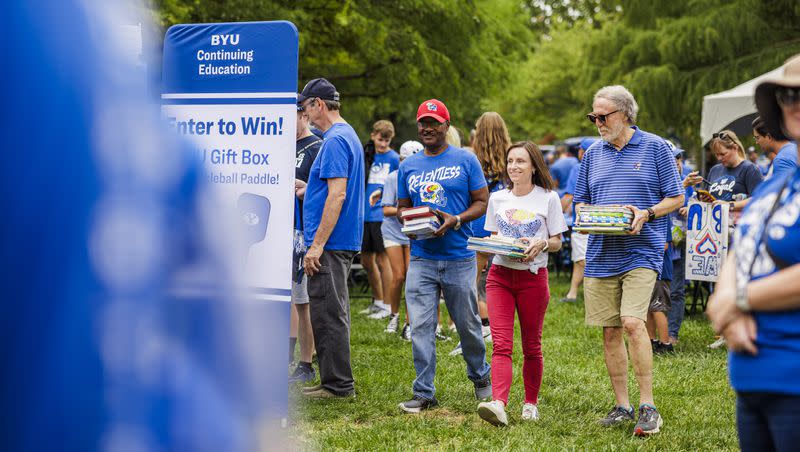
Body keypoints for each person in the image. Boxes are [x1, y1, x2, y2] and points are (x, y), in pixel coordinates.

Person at [574, 85, 683, 436]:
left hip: (643, 250)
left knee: (633, 322)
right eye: (593, 117)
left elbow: (676, 197)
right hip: (602, 254)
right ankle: (622, 405)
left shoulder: (655, 148)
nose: (597, 122)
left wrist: (648, 213)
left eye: (602, 116)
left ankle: (648, 405)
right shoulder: (592, 153)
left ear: (625, 114)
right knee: (610, 331)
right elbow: (580, 202)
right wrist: (589, 217)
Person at [707, 53, 800, 452]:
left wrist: (740, 299)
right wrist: (724, 306)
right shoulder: (778, 184)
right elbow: (741, 247)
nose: (795, 106)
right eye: (788, 97)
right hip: (751, 380)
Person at [396, 99, 492, 413]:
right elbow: (402, 207)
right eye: (423, 123)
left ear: (446, 126)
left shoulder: (466, 159)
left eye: (434, 123)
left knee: (467, 326)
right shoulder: (408, 165)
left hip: (458, 257)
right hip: (421, 257)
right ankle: (424, 392)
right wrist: (410, 221)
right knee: (421, 326)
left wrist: (457, 219)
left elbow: (482, 201)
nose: (427, 128)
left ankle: (480, 375)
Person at [476, 141, 567, 426]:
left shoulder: (548, 198)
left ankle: (530, 403)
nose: (514, 166)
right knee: (501, 344)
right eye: (511, 161)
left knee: (531, 346)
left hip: (532, 280)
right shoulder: (497, 199)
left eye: (521, 161)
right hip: (500, 277)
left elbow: (557, 242)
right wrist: (488, 248)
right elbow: (490, 238)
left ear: (533, 165)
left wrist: (541, 243)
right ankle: (499, 403)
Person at [298, 78, 365, 399]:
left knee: (327, 313)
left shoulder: (336, 140)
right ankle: (333, 380)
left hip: (331, 243)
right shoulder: (345, 135)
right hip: (340, 240)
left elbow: (337, 196)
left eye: (306, 106)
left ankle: (337, 386)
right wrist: (306, 190)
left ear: (319, 105)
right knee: (332, 310)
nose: (305, 114)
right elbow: (332, 188)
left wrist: (317, 245)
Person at [456, 111, 512, 354]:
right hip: (504, 224)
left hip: (477, 224)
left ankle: (476, 330)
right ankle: (495, 327)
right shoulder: (512, 160)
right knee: (499, 279)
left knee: (471, 281)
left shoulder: (471, 159)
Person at [289, 101, 322, 384]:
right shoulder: (278, 143)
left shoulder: (317, 146)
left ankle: (306, 362)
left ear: (304, 114)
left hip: (302, 233)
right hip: (275, 228)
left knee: (303, 300)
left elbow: (327, 190)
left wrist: (305, 190)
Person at [378, 140, 424, 337]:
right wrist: (410, 211)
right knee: (399, 276)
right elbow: (386, 209)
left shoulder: (422, 178)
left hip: (414, 232)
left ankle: (409, 323)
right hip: (393, 232)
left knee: (412, 278)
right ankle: (393, 315)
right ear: (401, 160)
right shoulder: (392, 178)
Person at [361, 120, 400, 320]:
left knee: (383, 260)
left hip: (381, 214)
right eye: (379, 139)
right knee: (367, 260)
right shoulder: (367, 155)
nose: (383, 144)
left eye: (387, 140)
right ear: (373, 135)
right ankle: (377, 302)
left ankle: (387, 305)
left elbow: (396, 185)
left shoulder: (394, 158)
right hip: (364, 214)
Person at [685, 130, 763, 216]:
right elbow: (710, 200)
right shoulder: (715, 170)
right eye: (716, 154)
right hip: (715, 225)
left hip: (738, 225)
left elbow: (759, 198)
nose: (719, 158)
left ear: (735, 148)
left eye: (723, 154)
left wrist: (729, 205)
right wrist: (699, 202)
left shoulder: (750, 169)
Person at [560, 137, 598, 302]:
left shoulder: (579, 167)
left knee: (583, 260)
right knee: (578, 260)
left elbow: (570, 194)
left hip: (583, 223)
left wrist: (555, 213)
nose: (579, 152)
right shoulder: (602, 166)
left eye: (581, 149)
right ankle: (573, 293)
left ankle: (595, 295)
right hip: (600, 222)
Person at [667, 147, 693, 344]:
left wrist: (690, 208)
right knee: (657, 290)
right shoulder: (661, 178)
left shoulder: (688, 180)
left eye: (679, 158)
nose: (677, 162)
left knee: (676, 290)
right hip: (661, 243)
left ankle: (672, 333)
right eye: (673, 158)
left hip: (681, 241)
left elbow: (694, 203)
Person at [646, 218, 674, 355]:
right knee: (648, 309)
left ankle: (665, 344)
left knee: (658, 308)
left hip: (660, 271)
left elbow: (664, 245)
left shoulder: (663, 218)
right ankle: (652, 340)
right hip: (647, 269)